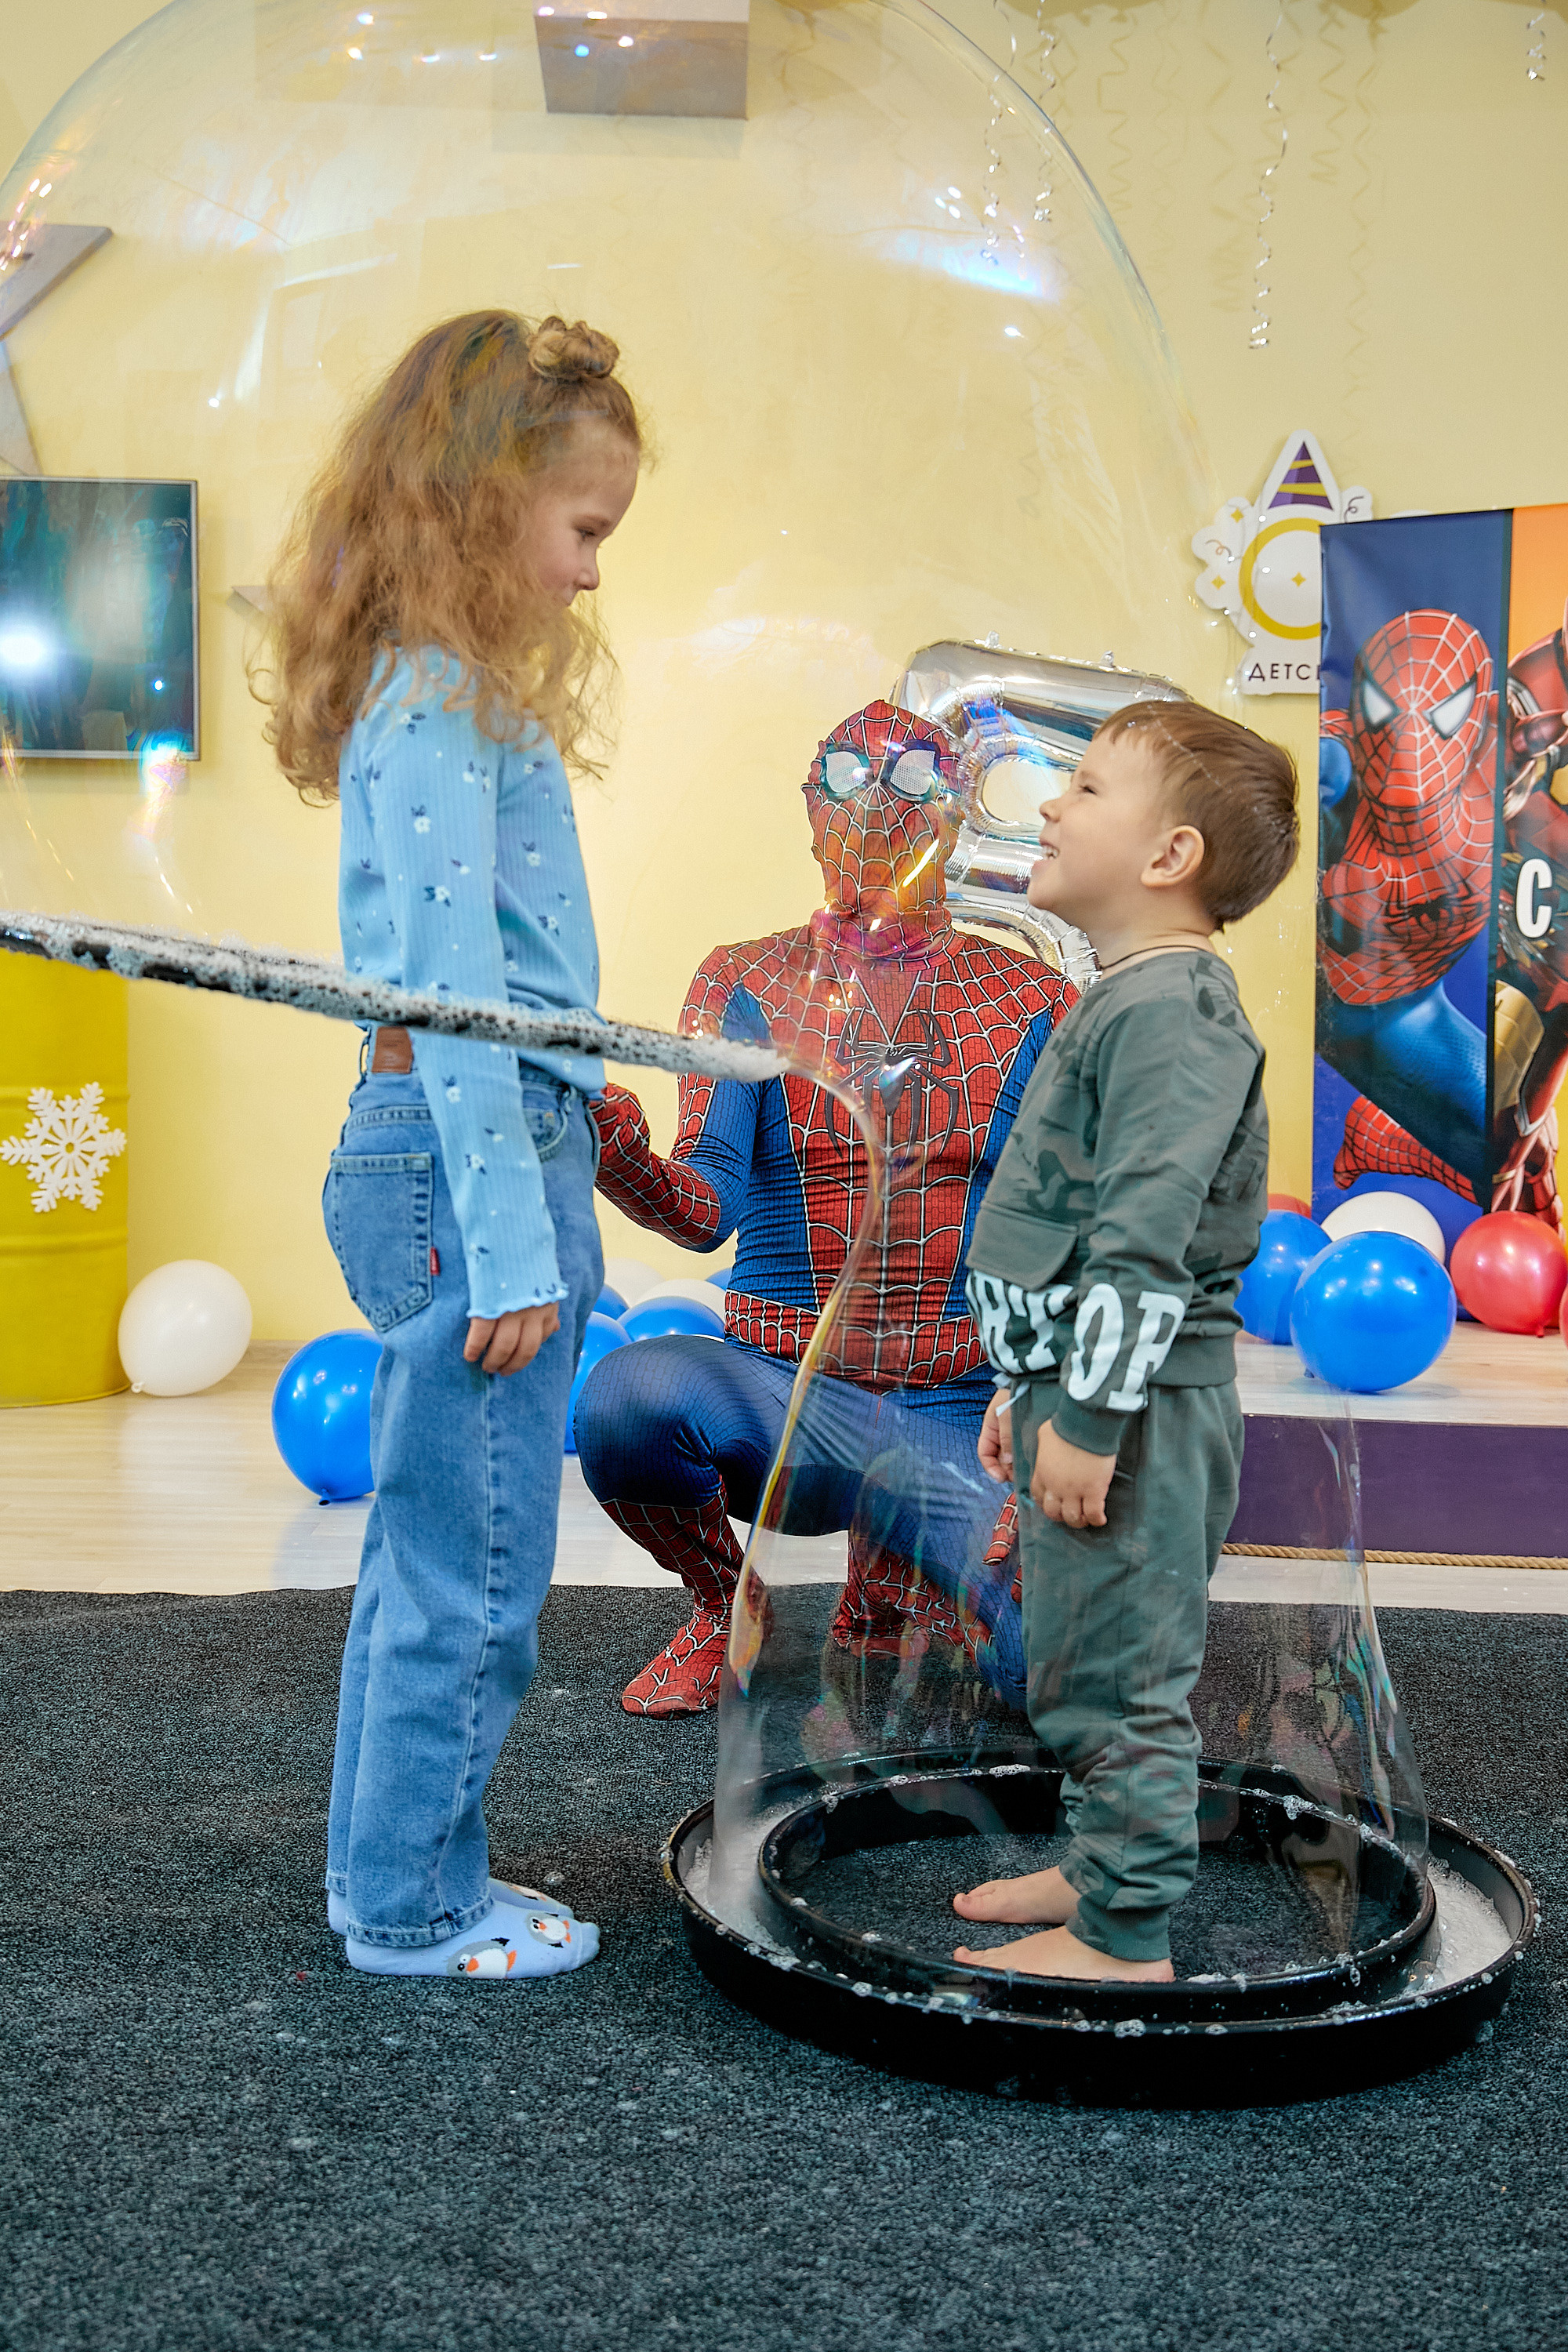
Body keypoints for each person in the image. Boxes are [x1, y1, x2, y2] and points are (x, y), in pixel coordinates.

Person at [264, 310, 641, 1981]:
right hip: (456, 1155)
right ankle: (414, 1907)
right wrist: (508, 1239)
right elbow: (455, 994)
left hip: (474, 1143)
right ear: (484, 503)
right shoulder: (438, 707)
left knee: (438, 1544)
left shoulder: (445, 695)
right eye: (584, 531)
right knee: (476, 1565)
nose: (588, 576)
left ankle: (397, 1873)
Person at [576, 699, 1075, 1714]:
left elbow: (1067, 1237)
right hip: (785, 1394)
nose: (878, 808)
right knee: (625, 1401)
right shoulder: (746, 980)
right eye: (849, 778)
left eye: (910, 783)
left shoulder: (1035, 999)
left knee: (1050, 1675)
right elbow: (706, 1203)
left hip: (958, 1403)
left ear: (954, 817)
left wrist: (1049, 1405)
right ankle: (725, 1603)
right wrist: (616, 1149)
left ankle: (906, 1569)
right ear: (812, 809)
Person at [951, 699, 1298, 1984]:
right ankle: (1098, 1864)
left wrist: (1090, 1417)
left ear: (1169, 860)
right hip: (1084, 1387)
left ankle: (1126, 1931)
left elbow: (1144, 1237)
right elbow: (1070, 1219)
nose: (1047, 804)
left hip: (1139, 1410)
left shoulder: (1175, 1014)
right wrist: (1022, 1384)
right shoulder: (1127, 996)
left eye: (1086, 787)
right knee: (1075, 1660)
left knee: (1124, 1678)